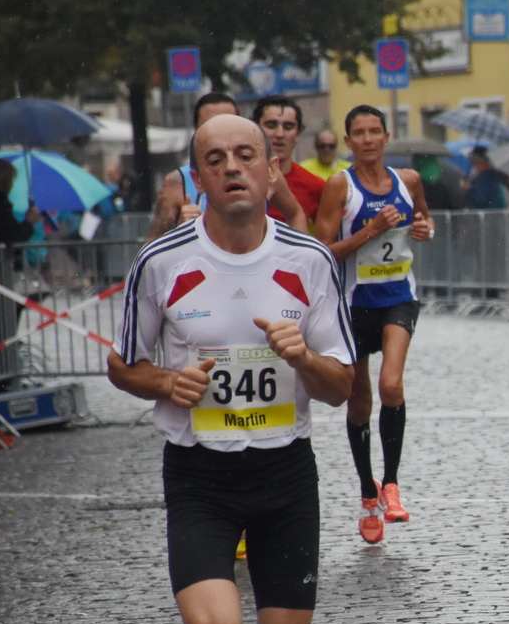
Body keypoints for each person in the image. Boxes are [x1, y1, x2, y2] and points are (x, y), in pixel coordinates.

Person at [107, 113, 356, 624]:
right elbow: (123, 365)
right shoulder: (164, 261)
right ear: (200, 176)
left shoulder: (310, 261)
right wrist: (165, 379)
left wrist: (304, 357)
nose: (234, 168)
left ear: (271, 169)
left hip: (285, 474)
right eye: (216, 159)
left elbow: (343, 386)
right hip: (202, 474)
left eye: (247, 155)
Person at [314, 105, 435, 544]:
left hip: (398, 298)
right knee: (360, 402)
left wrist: (424, 230)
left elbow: (423, 218)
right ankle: (368, 494)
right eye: (358, 133)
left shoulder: (409, 181)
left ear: (387, 136)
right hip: (352, 305)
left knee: (392, 386)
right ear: (348, 142)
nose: (367, 140)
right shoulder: (339, 186)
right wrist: (368, 231)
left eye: (374, 132)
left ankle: (392, 484)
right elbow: (323, 251)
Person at [149, 92, 308, 240]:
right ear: (196, 128)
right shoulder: (177, 182)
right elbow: (152, 250)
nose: (231, 168)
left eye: (228, 121)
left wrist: (299, 256)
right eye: (211, 124)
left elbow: (295, 214)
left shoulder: (265, 173)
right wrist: (180, 232)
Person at [253, 95, 328, 224]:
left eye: (288, 127)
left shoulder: (315, 186)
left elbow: (325, 240)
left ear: (298, 133)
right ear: (255, 129)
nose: (280, 134)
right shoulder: (240, 179)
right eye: (271, 125)